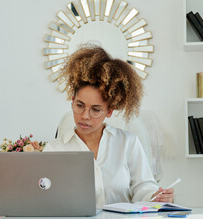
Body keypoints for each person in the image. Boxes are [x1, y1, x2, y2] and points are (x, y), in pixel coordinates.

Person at [43, 45, 174, 208]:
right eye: (79, 105)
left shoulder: (128, 143)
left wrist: (155, 196)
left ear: (109, 112)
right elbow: (46, 197)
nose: (85, 115)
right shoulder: (54, 149)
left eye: (96, 110)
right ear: (72, 101)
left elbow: (143, 187)